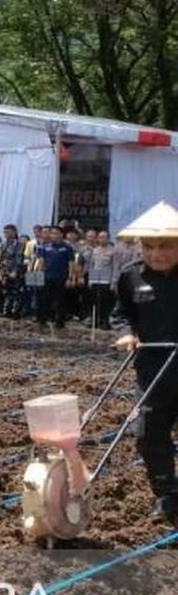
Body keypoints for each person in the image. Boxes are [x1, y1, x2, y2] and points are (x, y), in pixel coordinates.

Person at [109, 201, 178, 524]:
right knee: (148, 434)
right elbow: (121, 314)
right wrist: (126, 333)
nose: (156, 253)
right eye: (149, 246)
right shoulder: (131, 276)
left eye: (165, 246)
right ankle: (167, 493)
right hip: (152, 371)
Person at [36, 225, 75, 329]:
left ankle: (59, 322)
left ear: (61, 235)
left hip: (61, 277)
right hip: (47, 277)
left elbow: (71, 263)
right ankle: (43, 320)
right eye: (52, 233)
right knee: (45, 299)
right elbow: (41, 261)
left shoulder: (67, 248)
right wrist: (39, 274)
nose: (53, 235)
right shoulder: (45, 247)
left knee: (60, 300)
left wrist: (70, 278)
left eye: (56, 233)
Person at [87, 230, 116, 329]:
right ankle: (94, 320)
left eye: (104, 237)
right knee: (94, 301)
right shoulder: (95, 250)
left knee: (106, 302)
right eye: (100, 237)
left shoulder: (113, 251)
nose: (101, 239)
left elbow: (114, 266)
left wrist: (113, 281)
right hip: (95, 279)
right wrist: (90, 279)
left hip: (106, 279)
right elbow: (91, 265)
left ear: (108, 238)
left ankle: (105, 321)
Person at [0, 224, 25, 319]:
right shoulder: (3, 244)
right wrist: (1, 271)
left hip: (15, 271)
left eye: (8, 232)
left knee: (16, 293)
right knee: (6, 292)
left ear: (14, 233)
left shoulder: (19, 244)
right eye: (5, 232)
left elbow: (19, 259)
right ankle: (7, 311)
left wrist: (15, 271)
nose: (6, 234)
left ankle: (16, 312)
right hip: (5, 270)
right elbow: (1, 259)